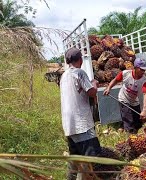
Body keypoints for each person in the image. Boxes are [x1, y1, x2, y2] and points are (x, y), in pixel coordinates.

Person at [60, 47, 101, 180]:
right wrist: (94, 83)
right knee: (87, 161)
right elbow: (91, 92)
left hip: (69, 125)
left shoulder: (64, 76)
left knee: (74, 159)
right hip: (81, 125)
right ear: (80, 60)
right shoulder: (79, 73)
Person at [103, 58, 146, 134]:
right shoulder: (125, 74)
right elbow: (115, 80)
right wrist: (108, 88)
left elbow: (145, 94)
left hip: (134, 101)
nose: (143, 72)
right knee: (129, 122)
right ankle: (130, 136)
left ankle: (137, 136)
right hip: (124, 99)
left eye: (144, 70)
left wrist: (144, 110)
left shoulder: (144, 81)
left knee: (138, 123)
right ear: (136, 68)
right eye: (142, 70)